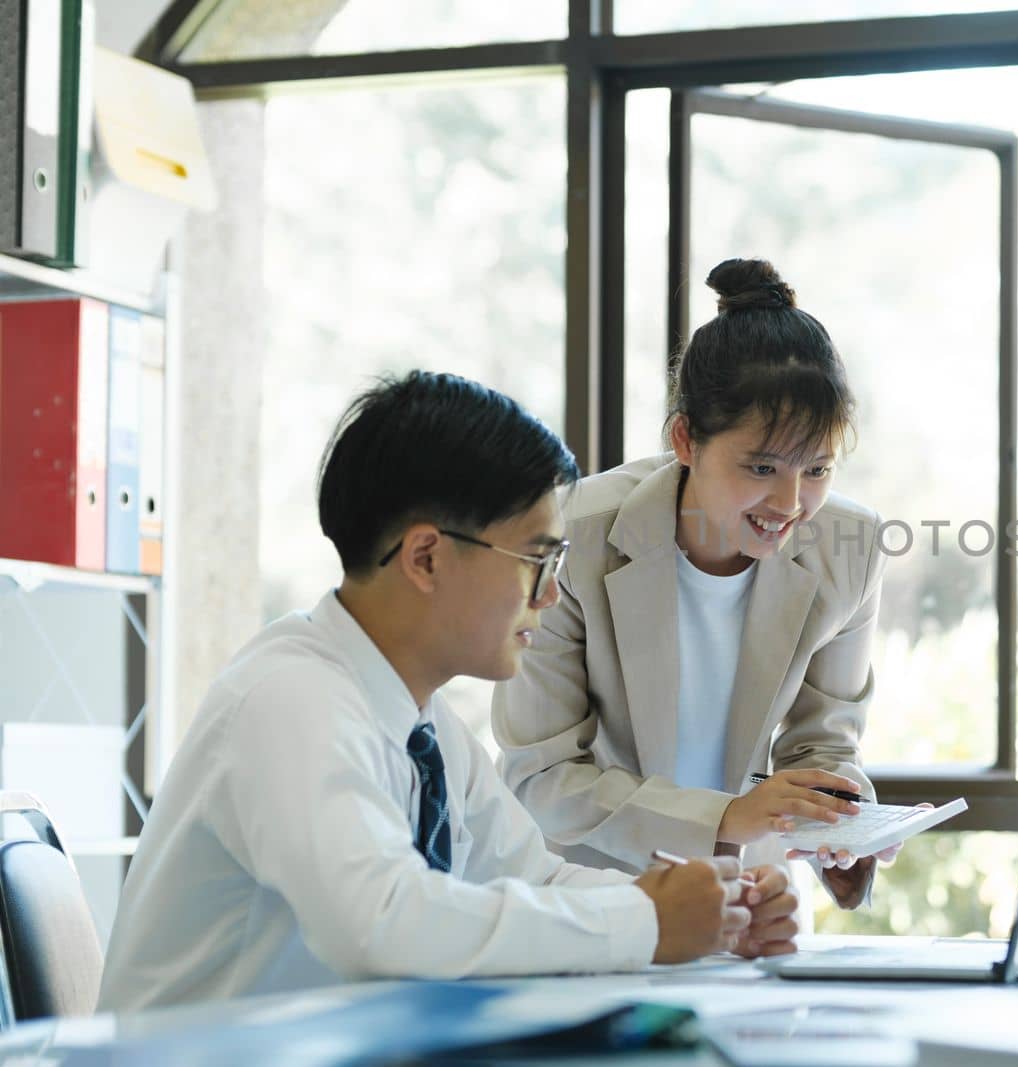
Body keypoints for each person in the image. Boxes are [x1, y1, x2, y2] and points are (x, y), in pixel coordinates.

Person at [98, 371, 798, 1013]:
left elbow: (536, 879)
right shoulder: (291, 701)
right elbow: (385, 922)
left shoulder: (422, 726)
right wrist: (645, 922)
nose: (553, 594)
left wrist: (714, 910)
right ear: (426, 556)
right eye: (537, 558)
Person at [493, 258, 894, 912]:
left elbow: (823, 742)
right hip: (590, 898)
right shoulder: (574, 536)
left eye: (817, 468)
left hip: (751, 905)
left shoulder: (849, 547)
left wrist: (845, 827)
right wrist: (727, 816)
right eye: (761, 465)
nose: (791, 502)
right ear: (686, 438)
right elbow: (542, 777)